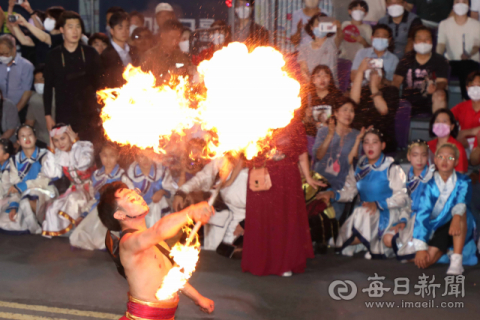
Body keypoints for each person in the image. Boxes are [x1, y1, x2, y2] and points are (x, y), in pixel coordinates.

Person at [98, 182, 214, 318]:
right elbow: (159, 230)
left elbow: (171, 275)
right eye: (131, 198)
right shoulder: (128, 243)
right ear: (120, 215)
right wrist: (191, 211)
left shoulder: (156, 241)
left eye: (135, 193)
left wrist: (198, 298)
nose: (138, 196)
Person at [242, 118, 323, 277]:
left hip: (286, 176)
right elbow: (246, 151)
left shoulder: (294, 123)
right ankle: (259, 262)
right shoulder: (253, 118)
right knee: (261, 218)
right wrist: (266, 156)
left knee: (284, 219)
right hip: (262, 174)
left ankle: (284, 263)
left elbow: (302, 152)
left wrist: (307, 176)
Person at [317, 128, 409, 259]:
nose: (370, 146)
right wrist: (332, 194)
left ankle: (355, 240)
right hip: (366, 213)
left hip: (387, 212)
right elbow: (349, 192)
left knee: (361, 213)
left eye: (374, 142)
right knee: (362, 211)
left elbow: (402, 198)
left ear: (383, 145)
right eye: (366, 142)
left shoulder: (392, 167)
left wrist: (377, 204)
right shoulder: (357, 166)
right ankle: (360, 240)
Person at [412, 143, 478, 274]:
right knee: (425, 262)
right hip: (438, 226)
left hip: (461, 223)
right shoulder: (429, 185)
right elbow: (422, 213)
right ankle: (445, 249)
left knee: (461, 212)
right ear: (435, 160)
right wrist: (420, 248)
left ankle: (456, 260)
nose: (445, 161)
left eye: (450, 158)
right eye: (441, 157)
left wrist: (456, 217)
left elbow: (462, 201)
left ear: (457, 161)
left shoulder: (464, 180)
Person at [43, 11, 103, 143]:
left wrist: (102, 111)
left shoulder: (90, 53)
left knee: (90, 153)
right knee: (67, 154)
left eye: (78, 27)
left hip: (89, 114)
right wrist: (48, 116)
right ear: (62, 30)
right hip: (64, 113)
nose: (75, 31)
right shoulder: (53, 56)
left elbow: (100, 85)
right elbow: (47, 88)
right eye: (70, 27)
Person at [173, 155, 247, 251]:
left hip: (244, 220)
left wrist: (245, 223)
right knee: (209, 254)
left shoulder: (254, 165)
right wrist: (182, 192)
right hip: (216, 216)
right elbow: (202, 177)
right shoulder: (222, 159)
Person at [69, 142, 133, 250]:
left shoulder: (122, 175)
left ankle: (109, 241)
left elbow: (129, 195)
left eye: (112, 156)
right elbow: (93, 197)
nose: (108, 159)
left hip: (113, 210)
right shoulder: (96, 175)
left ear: (118, 156)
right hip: (97, 208)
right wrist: (84, 213)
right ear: (100, 156)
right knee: (81, 232)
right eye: (105, 155)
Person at [41, 124, 96, 237]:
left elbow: (83, 164)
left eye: (63, 138)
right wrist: (51, 150)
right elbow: (52, 173)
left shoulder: (85, 147)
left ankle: (79, 232)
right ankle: (65, 233)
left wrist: (75, 143)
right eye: (56, 140)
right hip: (75, 189)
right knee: (53, 208)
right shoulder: (59, 154)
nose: (60, 143)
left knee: (73, 199)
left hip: (92, 189)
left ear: (70, 135)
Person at [385, 140, 435, 261]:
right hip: (409, 217)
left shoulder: (432, 177)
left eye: (423, 155)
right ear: (408, 156)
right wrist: (403, 220)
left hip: (426, 220)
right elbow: (404, 204)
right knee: (387, 239)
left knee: (414, 243)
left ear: (428, 156)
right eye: (415, 155)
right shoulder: (404, 177)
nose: (419, 160)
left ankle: (420, 253)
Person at [312, 96, 361, 220]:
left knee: (331, 221)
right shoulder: (323, 131)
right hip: (319, 182)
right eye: (345, 109)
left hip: (341, 185)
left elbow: (354, 160)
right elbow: (318, 156)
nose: (348, 114)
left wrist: (359, 140)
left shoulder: (356, 135)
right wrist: (330, 135)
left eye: (351, 110)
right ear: (336, 113)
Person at [0, 125, 54, 234]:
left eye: (30, 135)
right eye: (22, 136)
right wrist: (14, 204)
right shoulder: (15, 160)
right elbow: (15, 186)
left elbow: (46, 179)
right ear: (18, 141)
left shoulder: (45, 155)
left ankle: (42, 222)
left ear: (35, 137)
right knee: (5, 221)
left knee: (28, 200)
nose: (27, 138)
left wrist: (25, 185)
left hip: (45, 192)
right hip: (22, 195)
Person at [393, 26, 449, 116]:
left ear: (432, 41)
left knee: (440, 94)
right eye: (419, 39)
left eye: (427, 39)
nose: (423, 42)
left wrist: (435, 87)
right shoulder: (406, 59)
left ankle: (438, 125)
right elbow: (396, 81)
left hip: (430, 100)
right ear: (414, 42)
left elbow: (442, 82)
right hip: (408, 100)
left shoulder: (440, 60)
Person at [351, 57, 400, 153]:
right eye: (370, 71)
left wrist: (373, 86)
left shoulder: (391, 90)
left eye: (375, 71)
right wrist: (360, 71)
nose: (373, 73)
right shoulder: (362, 90)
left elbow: (383, 110)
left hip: (381, 139)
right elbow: (353, 102)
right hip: (359, 137)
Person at [437, 0, 480, 101]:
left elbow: (477, 45)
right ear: (453, 5)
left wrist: (468, 54)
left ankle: (467, 100)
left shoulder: (476, 25)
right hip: (451, 62)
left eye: (464, 2)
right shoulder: (444, 24)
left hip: (471, 62)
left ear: (468, 6)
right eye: (457, 2)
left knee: (465, 66)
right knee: (442, 67)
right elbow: (441, 44)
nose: (460, 4)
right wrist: (437, 58)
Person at [141, 19, 194, 85]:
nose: (175, 41)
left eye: (178, 38)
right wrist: (166, 76)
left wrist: (191, 71)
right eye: (172, 37)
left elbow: (189, 79)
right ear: (162, 35)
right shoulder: (149, 56)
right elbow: (142, 84)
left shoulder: (182, 56)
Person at [127, 149, 171, 228]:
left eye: (149, 155)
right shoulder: (130, 175)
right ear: (136, 158)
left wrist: (162, 191)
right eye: (142, 156)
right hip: (137, 209)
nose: (146, 159)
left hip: (156, 207)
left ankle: (155, 235)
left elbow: (171, 188)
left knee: (157, 204)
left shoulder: (161, 171)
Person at [298, 14, 343, 85]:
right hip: (312, 88)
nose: (320, 27)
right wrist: (313, 87)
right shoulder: (304, 48)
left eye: (323, 25)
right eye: (317, 24)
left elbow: (340, 36)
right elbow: (304, 71)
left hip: (331, 89)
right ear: (311, 27)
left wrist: (338, 28)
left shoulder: (332, 43)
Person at [301, 65, 344, 136]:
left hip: (332, 135)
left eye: (325, 76)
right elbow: (303, 121)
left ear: (330, 79)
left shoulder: (336, 95)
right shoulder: (308, 97)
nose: (322, 79)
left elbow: (342, 119)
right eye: (318, 76)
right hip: (312, 136)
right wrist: (307, 116)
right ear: (313, 80)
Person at [427, 108, 468, 173]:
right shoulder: (428, 145)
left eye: (444, 121)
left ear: (452, 126)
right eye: (437, 121)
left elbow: (460, 174)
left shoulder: (458, 148)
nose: (440, 124)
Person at [0, 35, 33, 115]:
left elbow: (27, 92)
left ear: (14, 49)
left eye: (6, 53)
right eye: (1, 54)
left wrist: (14, 112)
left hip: (20, 110)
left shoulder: (26, 66)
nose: (3, 57)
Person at [101, 12, 132, 89]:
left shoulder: (134, 51)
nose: (124, 31)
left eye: (127, 28)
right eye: (120, 28)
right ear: (112, 31)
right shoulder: (105, 56)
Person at [452, 71, 480, 151]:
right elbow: (446, 119)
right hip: (464, 145)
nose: (475, 88)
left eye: (479, 85)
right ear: (467, 88)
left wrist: (465, 132)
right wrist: (457, 134)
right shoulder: (461, 107)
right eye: (472, 85)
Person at [25, 64, 50, 147]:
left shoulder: (60, 97)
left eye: (41, 80)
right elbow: (29, 123)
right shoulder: (34, 99)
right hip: (42, 141)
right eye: (36, 80)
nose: (38, 83)